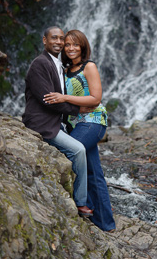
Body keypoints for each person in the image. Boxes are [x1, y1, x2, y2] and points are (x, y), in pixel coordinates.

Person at [43, 29, 116, 232]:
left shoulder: (89, 66)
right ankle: (105, 223)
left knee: (70, 154)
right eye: (67, 45)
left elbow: (95, 98)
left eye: (76, 44)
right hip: (75, 124)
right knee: (93, 171)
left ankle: (85, 206)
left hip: (93, 122)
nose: (71, 48)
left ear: (83, 46)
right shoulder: (65, 71)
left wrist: (64, 97)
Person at [22, 26, 93, 217]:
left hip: (56, 122)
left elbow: (60, 98)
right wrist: (78, 109)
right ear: (45, 40)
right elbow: (49, 99)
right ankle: (80, 203)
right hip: (42, 124)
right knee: (79, 150)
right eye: (54, 38)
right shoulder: (40, 64)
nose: (59, 42)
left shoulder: (58, 65)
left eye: (62, 39)